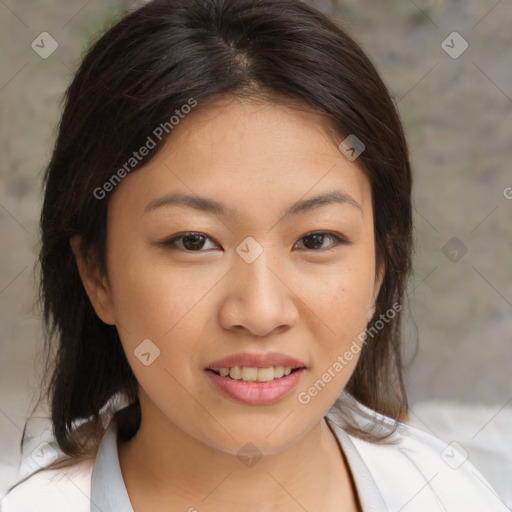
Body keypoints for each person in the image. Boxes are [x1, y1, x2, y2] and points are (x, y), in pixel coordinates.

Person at [2, 0, 508, 511]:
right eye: (193, 241)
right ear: (97, 274)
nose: (261, 313)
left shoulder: (449, 495)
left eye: (316, 240)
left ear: (380, 268)